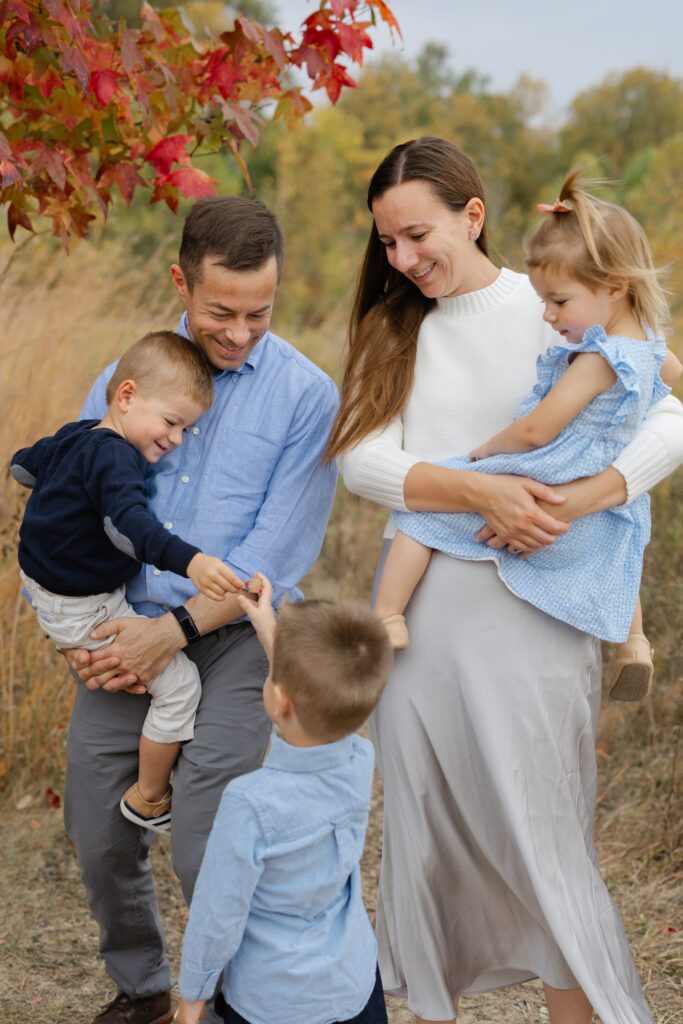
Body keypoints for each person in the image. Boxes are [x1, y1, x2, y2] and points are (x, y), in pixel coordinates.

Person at [326, 137, 683, 1024]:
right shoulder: (393, 330)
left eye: (417, 235)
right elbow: (362, 462)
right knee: (430, 841)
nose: (402, 259)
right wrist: (478, 489)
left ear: (471, 215)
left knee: (544, 836)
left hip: (541, 601)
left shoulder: (557, 299)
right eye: (387, 243)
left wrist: (587, 496)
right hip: (424, 618)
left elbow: (669, 414)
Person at [62, 196, 339, 1024]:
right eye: (221, 311)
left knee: (209, 837)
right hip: (124, 630)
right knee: (97, 829)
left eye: (260, 312)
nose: (240, 333)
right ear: (181, 283)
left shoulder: (306, 397)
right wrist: (89, 630)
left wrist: (173, 631)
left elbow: (270, 560)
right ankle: (143, 987)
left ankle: (227, 1001)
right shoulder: (125, 377)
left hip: (238, 640)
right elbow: (74, 507)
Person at [374, 171, 682, 703]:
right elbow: (672, 383)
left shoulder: (597, 356)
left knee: (419, 517)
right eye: (387, 243)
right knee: (620, 538)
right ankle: (634, 642)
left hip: (557, 464)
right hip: (603, 468)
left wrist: (488, 450)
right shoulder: (649, 344)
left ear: (614, 287)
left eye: (558, 303)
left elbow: (540, 429)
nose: (548, 315)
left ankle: (386, 615)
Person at [11, 331, 250, 836]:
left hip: (49, 584)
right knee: (180, 687)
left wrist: (45, 488)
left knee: (149, 672)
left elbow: (27, 463)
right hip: (86, 606)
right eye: (171, 422)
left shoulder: (78, 434)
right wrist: (193, 563)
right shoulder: (117, 457)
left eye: (186, 428)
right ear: (126, 396)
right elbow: (130, 528)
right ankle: (149, 797)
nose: (177, 438)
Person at [176, 573, 393, 1024]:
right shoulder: (359, 758)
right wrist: (268, 629)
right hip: (352, 986)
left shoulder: (249, 802)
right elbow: (314, 694)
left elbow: (217, 913)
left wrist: (193, 997)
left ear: (279, 700)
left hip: (273, 1001)